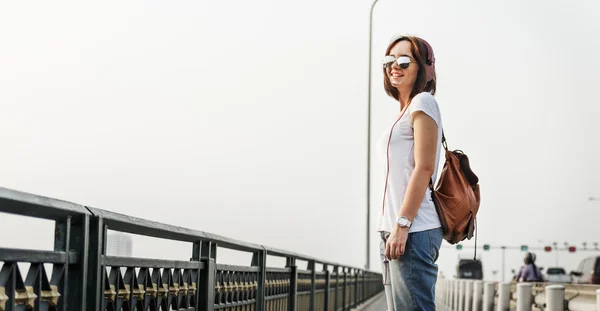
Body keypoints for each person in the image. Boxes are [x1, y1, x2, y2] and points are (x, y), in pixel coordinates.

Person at [376, 34, 444, 311]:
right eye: (389, 60)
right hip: (395, 230)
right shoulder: (403, 111)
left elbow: (424, 168)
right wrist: (393, 227)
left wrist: (403, 225)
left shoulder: (423, 102)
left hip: (412, 229)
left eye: (404, 61)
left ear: (424, 68)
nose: (395, 66)